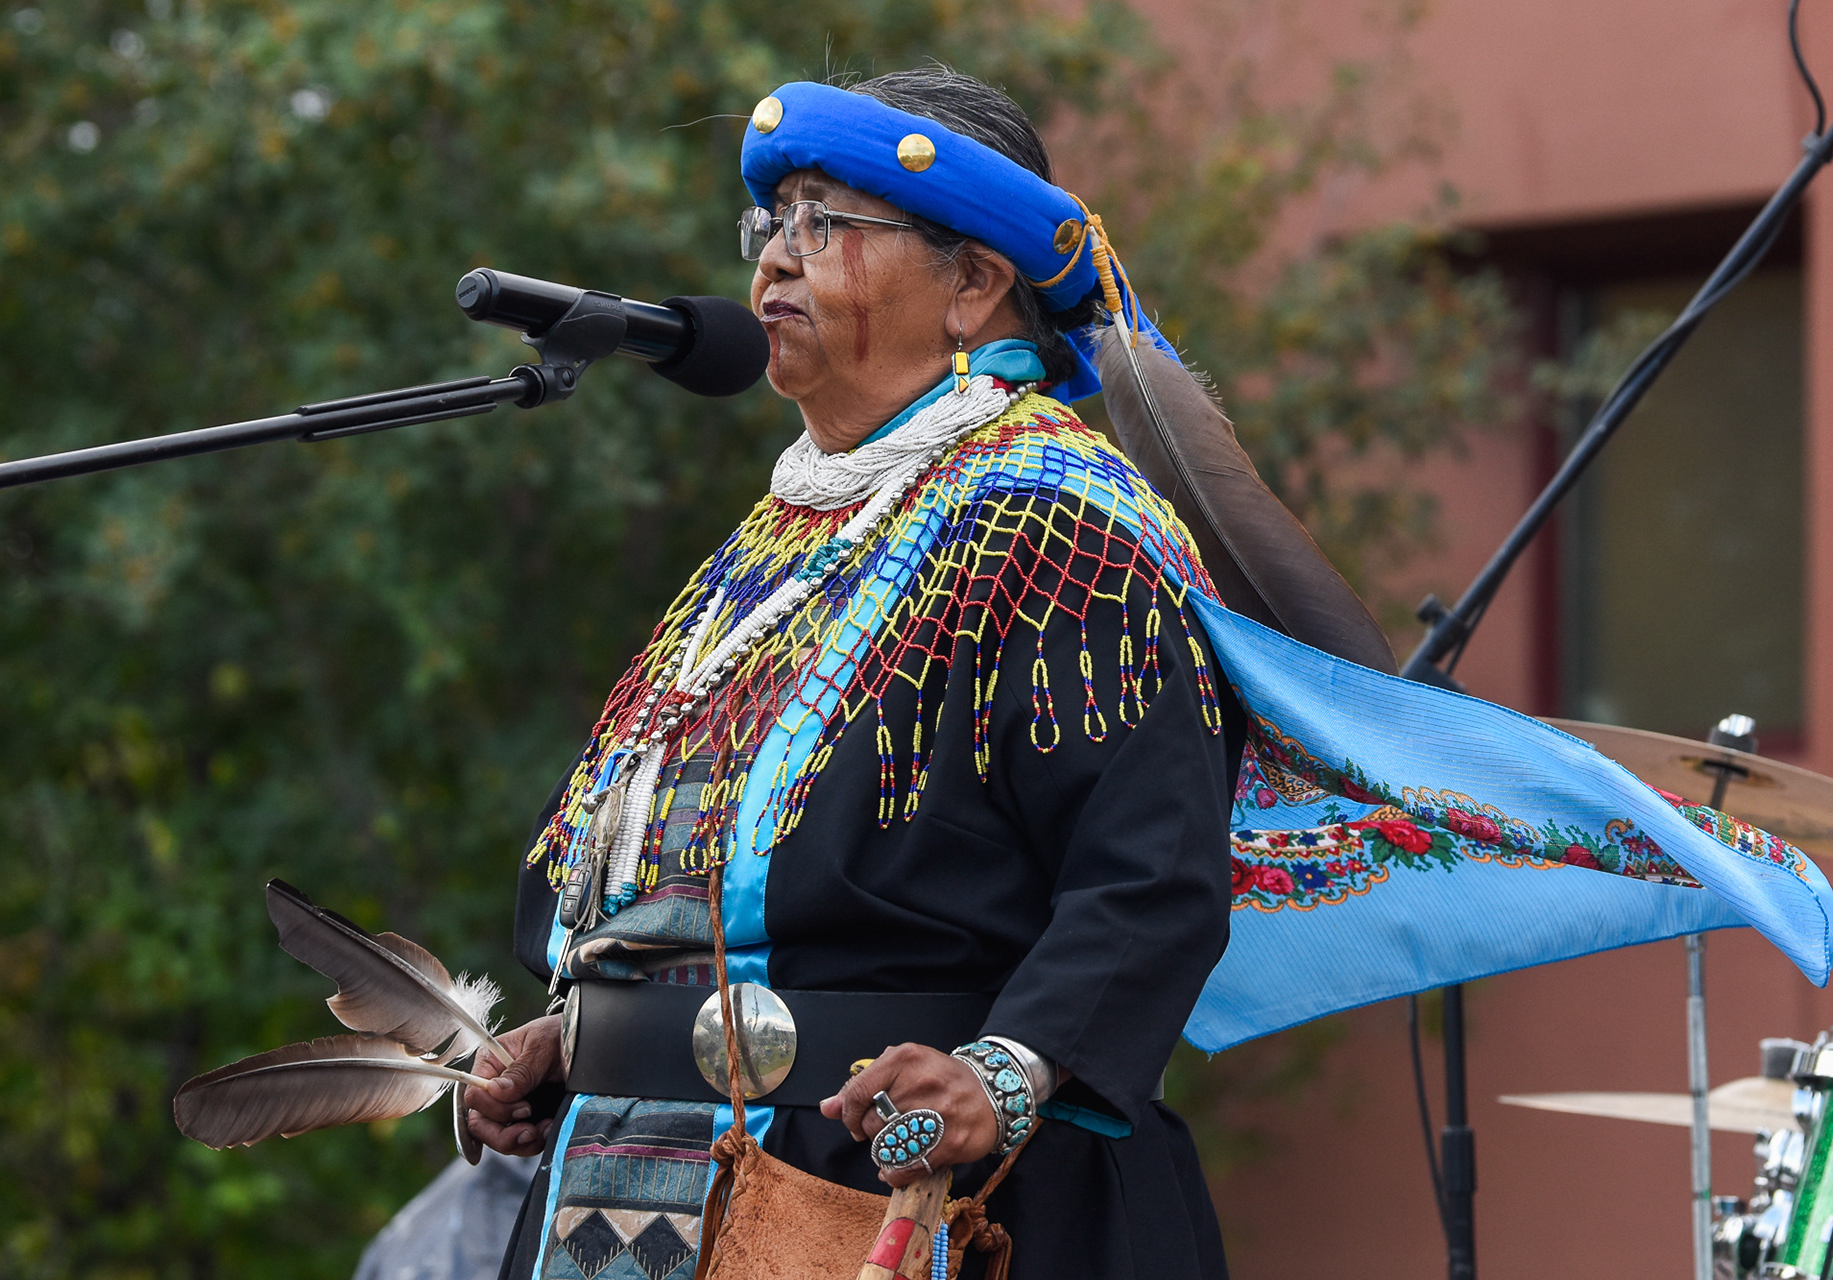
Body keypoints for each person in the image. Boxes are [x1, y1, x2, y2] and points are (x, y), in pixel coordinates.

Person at [461, 67, 1379, 1280]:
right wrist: (580, 1029)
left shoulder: (1060, 524)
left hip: (903, 1192)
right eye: (772, 224)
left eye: (826, 224)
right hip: (626, 1190)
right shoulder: (782, 543)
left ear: (975, 282)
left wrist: (1009, 1070)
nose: (776, 262)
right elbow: (695, 892)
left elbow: (1149, 871)